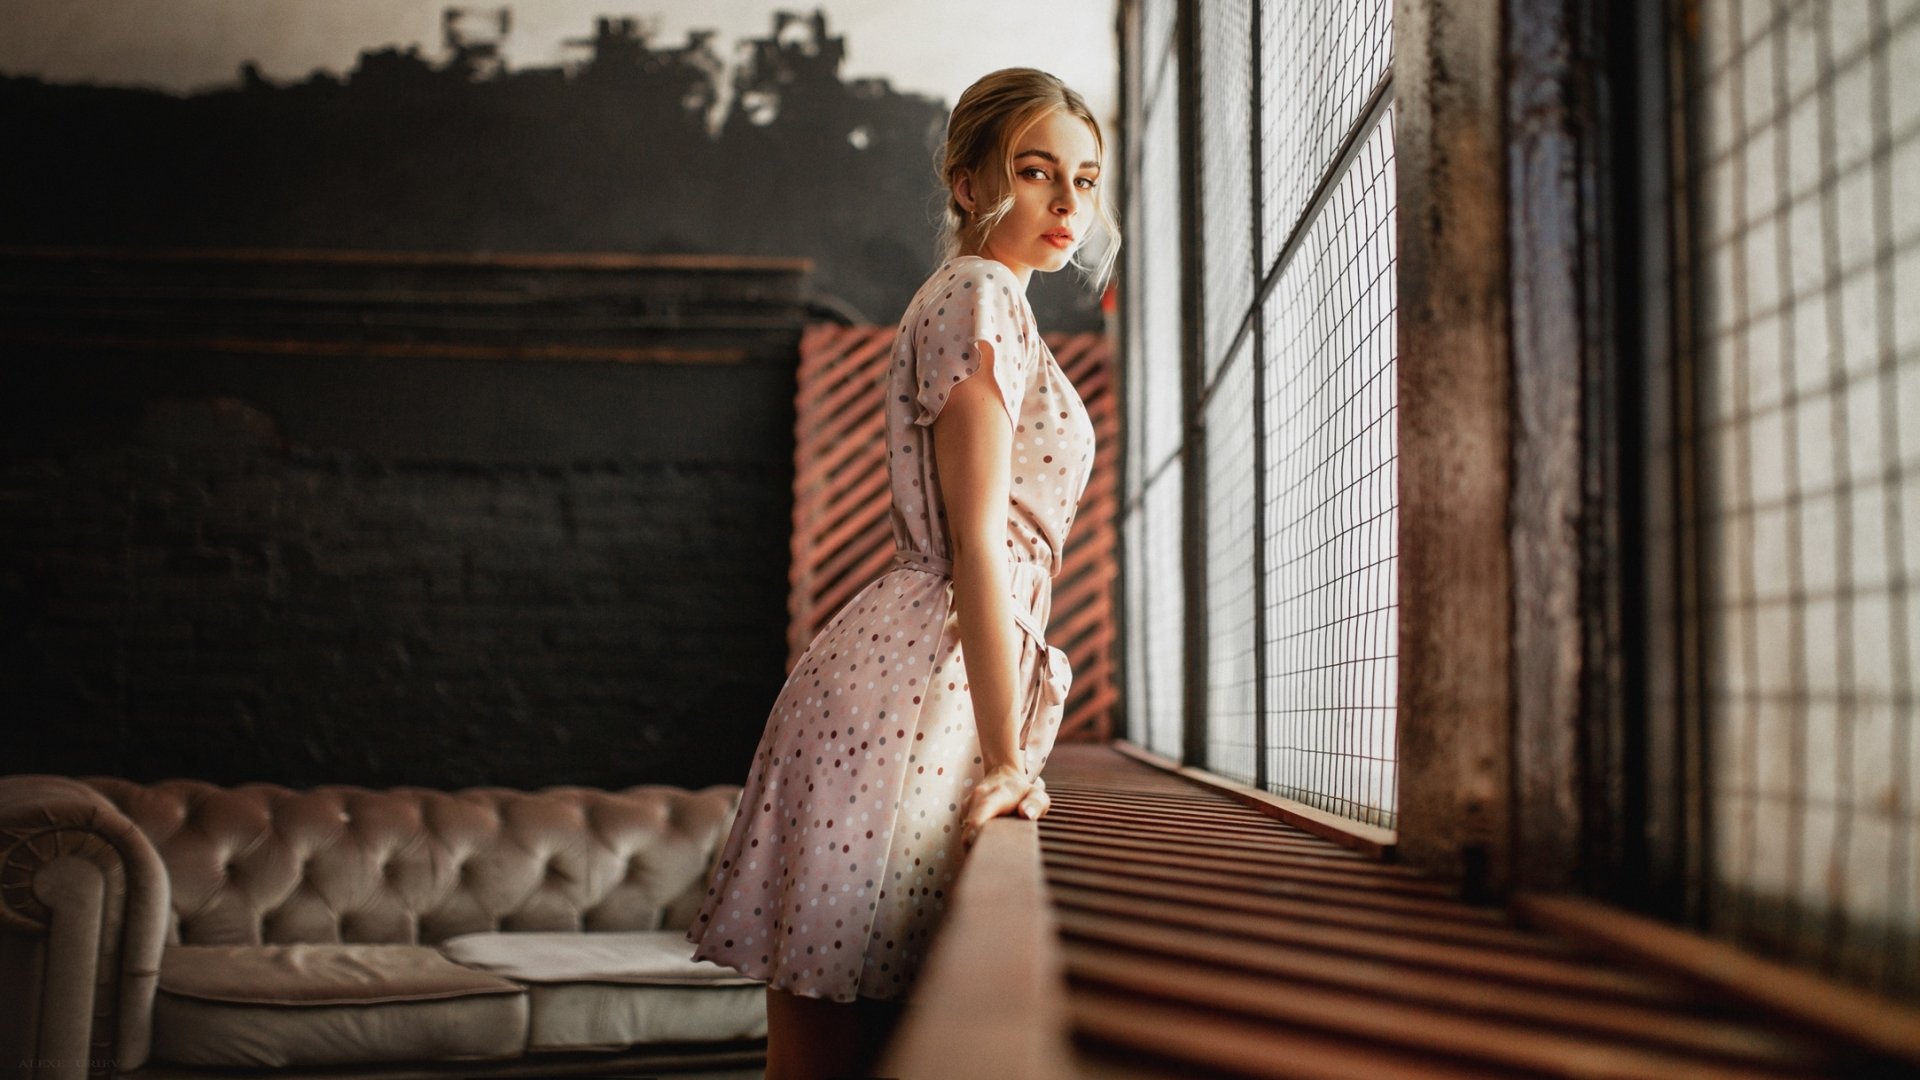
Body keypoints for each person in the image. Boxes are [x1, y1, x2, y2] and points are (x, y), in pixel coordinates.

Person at [685, 66, 1120, 1080]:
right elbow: (976, 542)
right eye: (1036, 171)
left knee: (861, 1042)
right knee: (835, 1048)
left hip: (924, 679)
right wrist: (1011, 763)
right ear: (966, 183)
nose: (1066, 204)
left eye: (1085, 180)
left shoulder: (996, 304)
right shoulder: (975, 297)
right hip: (914, 684)